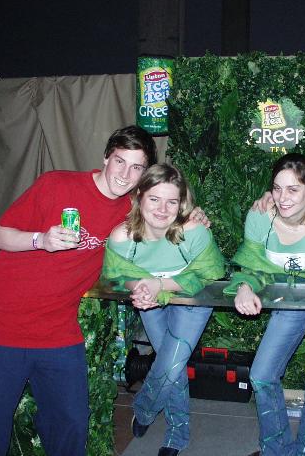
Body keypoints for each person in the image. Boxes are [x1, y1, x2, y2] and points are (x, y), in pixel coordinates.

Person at [0, 125, 208, 456]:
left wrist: (191, 215)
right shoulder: (57, 184)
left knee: (70, 426)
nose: (124, 174)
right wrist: (41, 239)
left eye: (136, 167)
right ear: (106, 158)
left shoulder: (132, 211)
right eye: (119, 161)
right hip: (0, 325)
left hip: (58, 331)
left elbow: (167, 214)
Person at [225, 153, 305, 456]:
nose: (282, 198)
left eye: (293, 189)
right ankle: (275, 449)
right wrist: (244, 287)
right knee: (262, 374)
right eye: (277, 188)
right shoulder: (259, 217)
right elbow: (252, 267)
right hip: (290, 301)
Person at [102, 164, 225, 456]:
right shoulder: (122, 237)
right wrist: (139, 288)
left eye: (171, 201)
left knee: (170, 365)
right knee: (174, 369)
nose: (162, 209)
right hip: (150, 301)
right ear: (139, 196)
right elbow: (118, 274)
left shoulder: (194, 231)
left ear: (181, 203)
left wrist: (158, 285)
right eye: (154, 199)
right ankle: (177, 431)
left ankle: (149, 414)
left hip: (192, 301)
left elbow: (209, 273)